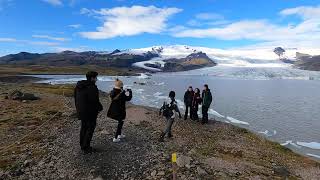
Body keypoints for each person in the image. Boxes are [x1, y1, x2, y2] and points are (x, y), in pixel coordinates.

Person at [74, 71, 103, 154]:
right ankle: (86, 147)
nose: (96, 79)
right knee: (90, 129)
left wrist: (78, 109)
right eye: (96, 78)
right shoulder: (92, 87)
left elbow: (75, 98)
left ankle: (82, 145)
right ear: (92, 78)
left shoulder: (79, 86)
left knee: (83, 128)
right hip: (90, 112)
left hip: (81, 111)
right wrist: (100, 108)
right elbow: (95, 101)